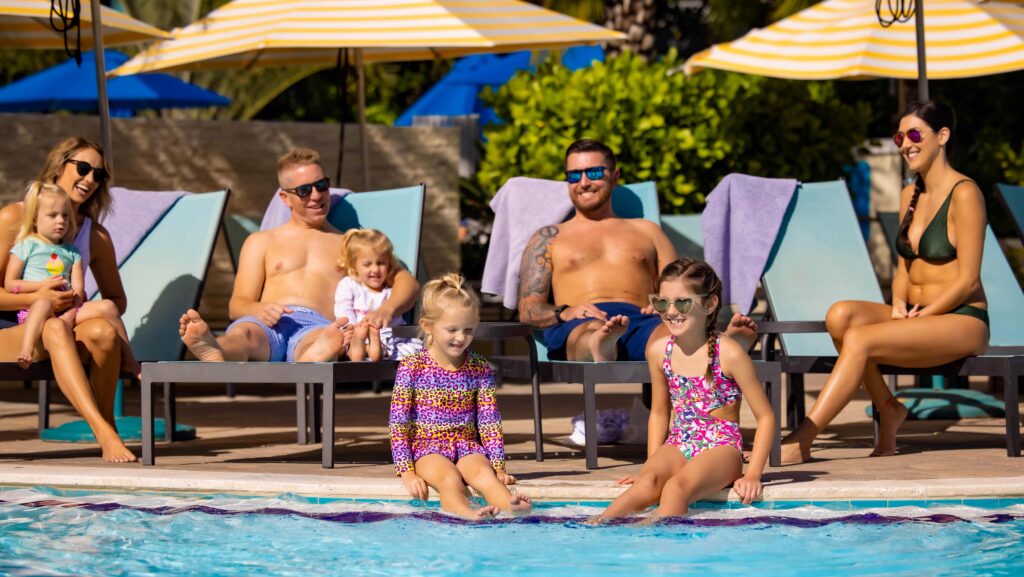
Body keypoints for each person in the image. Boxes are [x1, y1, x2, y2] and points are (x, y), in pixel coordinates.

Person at [780, 99, 989, 464]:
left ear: (942, 136)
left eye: (913, 134)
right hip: (918, 315)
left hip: (961, 318)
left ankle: (803, 438)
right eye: (899, 137)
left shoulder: (966, 193)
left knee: (861, 339)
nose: (905, 144)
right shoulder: (911, 194)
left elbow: (969, 280)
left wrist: (926, 316)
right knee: (840, 315)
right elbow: (903, 267)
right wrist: (896, 303)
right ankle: (888, 406)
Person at [517, 138, 758, 363]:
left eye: (594, 172)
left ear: (615, 176)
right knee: (589, 333)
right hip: (581, 322)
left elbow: (681, 284)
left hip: (642, 319)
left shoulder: (647, 231)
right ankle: (600, 346)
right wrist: (564, 312)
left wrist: (665, 303)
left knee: (672, 334)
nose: (584, 183)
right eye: (573, 175)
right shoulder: (548, 237)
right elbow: (528, 309)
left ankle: (724, 348)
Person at [179, 148, 420, 363]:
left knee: (323, 341)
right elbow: (237, 305)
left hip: (318, 326)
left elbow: (405, 281)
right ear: (285, 198)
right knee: (243, 335)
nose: (316, 195)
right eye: (304, 190)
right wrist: (256, 309)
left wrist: (387, 309)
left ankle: (314, 356)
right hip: (267, 323)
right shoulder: (262, 241)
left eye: (322, 185)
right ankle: (216, 350)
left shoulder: (349, 243)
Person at [594, 259, 775, 520]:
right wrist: (649, 469)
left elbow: (766, 417)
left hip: (721, 447)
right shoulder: (659, 351)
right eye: (661, 302)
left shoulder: (730, 354)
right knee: (649, 484)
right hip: (680, 441)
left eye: (682, 302)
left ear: (710, 304)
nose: (670, 311)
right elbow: (658, 413)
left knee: (676, 489)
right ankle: (593, 530)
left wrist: (753, 474)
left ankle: (650, 539)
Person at [0, 136, 135, 463]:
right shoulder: (15, 219)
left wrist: (79, 305)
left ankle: (108, 430)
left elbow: (117, 298)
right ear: (60, 166)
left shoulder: (95, 236)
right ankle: (104, 433)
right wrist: (38, 296)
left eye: (99, 175)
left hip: (62, 321)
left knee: (103, 331)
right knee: (55, 330)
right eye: (84, 168)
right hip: (12, 329)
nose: (90, 179)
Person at [389, 273, 531, 519]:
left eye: (468, 330)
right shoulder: (412, 366)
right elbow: (398, 422)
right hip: (427, 448)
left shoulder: (478, 366)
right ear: (427, 326)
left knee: (484, 475)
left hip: (467, 446)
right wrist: (407, 471)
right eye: (452, 329)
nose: (460, 337)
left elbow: (489, 421)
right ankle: (466, 512)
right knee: (448, 478)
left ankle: (513, 506)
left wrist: (498, 466)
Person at [6, 182, 140, 377]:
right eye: (53, 215)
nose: (61, 221)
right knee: (43, 303)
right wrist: (41, 287)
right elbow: (10, 284)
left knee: (109, 307)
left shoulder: (72, 252)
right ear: (35, 219)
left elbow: (78, 287)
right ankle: (27, 350)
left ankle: (129, 359)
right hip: (36, 309)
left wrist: (72, 304)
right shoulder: (27, 246)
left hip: (67, 309)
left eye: (65, 216)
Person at [334, 228, 421, 361]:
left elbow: (399, 318)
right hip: (357, 335)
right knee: (350, 343)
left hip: (391, 337)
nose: (375, 269)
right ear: (354, 265)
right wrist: (354, 329)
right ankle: (365, 347)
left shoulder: (391, 291)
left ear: (389, 264)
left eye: (381, 263)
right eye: (367, 264)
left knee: (416, 349)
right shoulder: (350, 285)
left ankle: (376, 349)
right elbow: (343, 310)